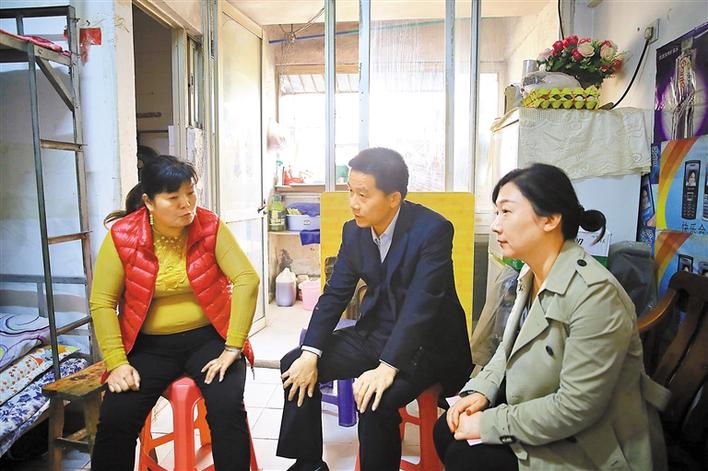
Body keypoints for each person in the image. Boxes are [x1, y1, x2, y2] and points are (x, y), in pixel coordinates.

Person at [434, 163, 669, 470]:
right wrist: (481, 390)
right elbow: (509, 349)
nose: (495, 225)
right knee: (446, 430)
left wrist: (489, 423)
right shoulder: (532, 273)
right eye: (496, 213)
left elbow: (577, 407)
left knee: (468, 457)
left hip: (591, 442)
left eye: (506, 212)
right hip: (544, 410)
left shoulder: (595, 295)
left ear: (550, 219)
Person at [277, 147, 473, 471]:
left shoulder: (433, 230)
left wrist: (388, 366)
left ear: (393, 198)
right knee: (294, 364)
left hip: (427, 344)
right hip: (377, 332)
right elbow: (335, 294)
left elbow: (421, 306)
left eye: (363, 195)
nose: (353, 203)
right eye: (350, 192)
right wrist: (311, 353)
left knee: (374, 399)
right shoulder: (354, 231)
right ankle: (309, 464)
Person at [90, 155, 260, 471]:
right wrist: (117, 362)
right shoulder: (123, 236)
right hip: (148, 347)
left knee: (226, 408)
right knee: (116, 415)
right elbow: (102, 302)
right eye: (173, 197)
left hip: (210, 340)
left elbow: (247, 279)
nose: (186, 204)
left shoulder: (209, 226)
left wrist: (233, 347)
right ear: (149, 202)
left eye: (190, 193)